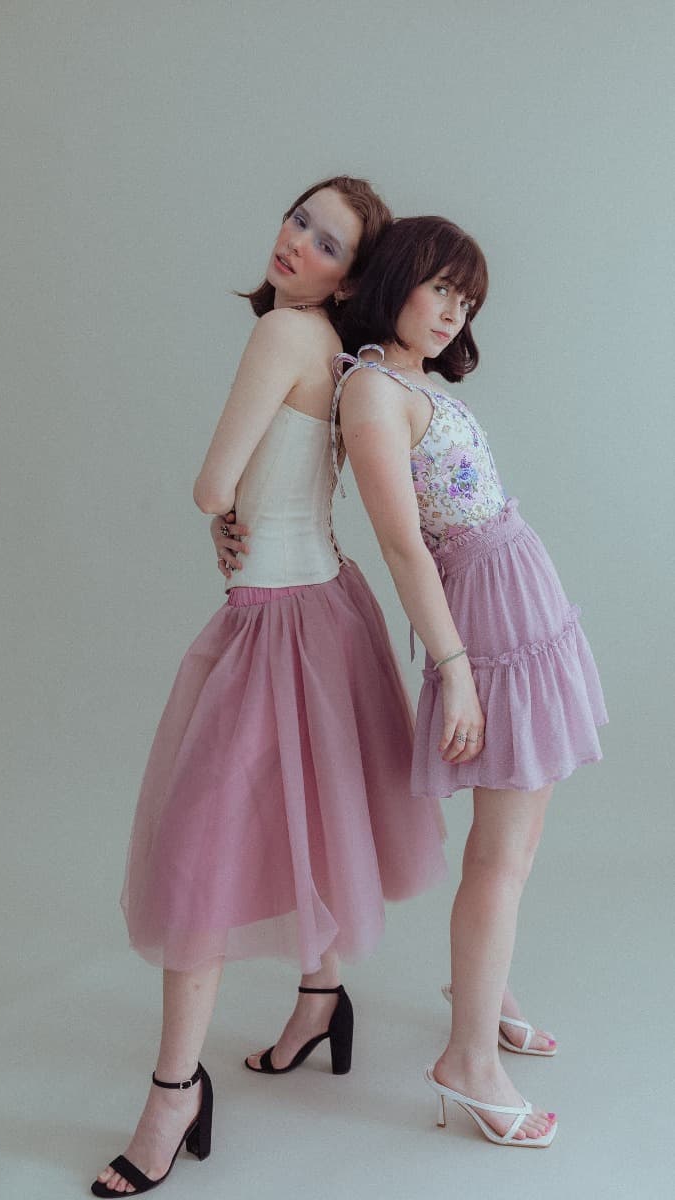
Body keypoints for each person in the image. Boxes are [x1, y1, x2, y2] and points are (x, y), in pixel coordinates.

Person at [91, 181, 448, 1195]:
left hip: (275, 622)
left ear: (350, 274)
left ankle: (172, 1092)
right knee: (312, 822)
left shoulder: (289, 337)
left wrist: (217, 509)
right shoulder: (343, 352)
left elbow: (215, 484)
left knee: (199, 862)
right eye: (300, 220)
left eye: (326, 242)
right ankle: (321, 996)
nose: (298, 244)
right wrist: (236, 512)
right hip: (329, 611)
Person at [333, 216, 607, 1148]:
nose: (453, 313)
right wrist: (453, 672)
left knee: (517, 846)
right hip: (485, 627)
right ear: (397, 280)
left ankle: (481, 992)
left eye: (467, 299)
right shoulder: (370, 391)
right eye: (440, 289)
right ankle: (467, 1064)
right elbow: (403, 544)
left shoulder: (407, 380)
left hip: (521, 606)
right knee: (500, 853)